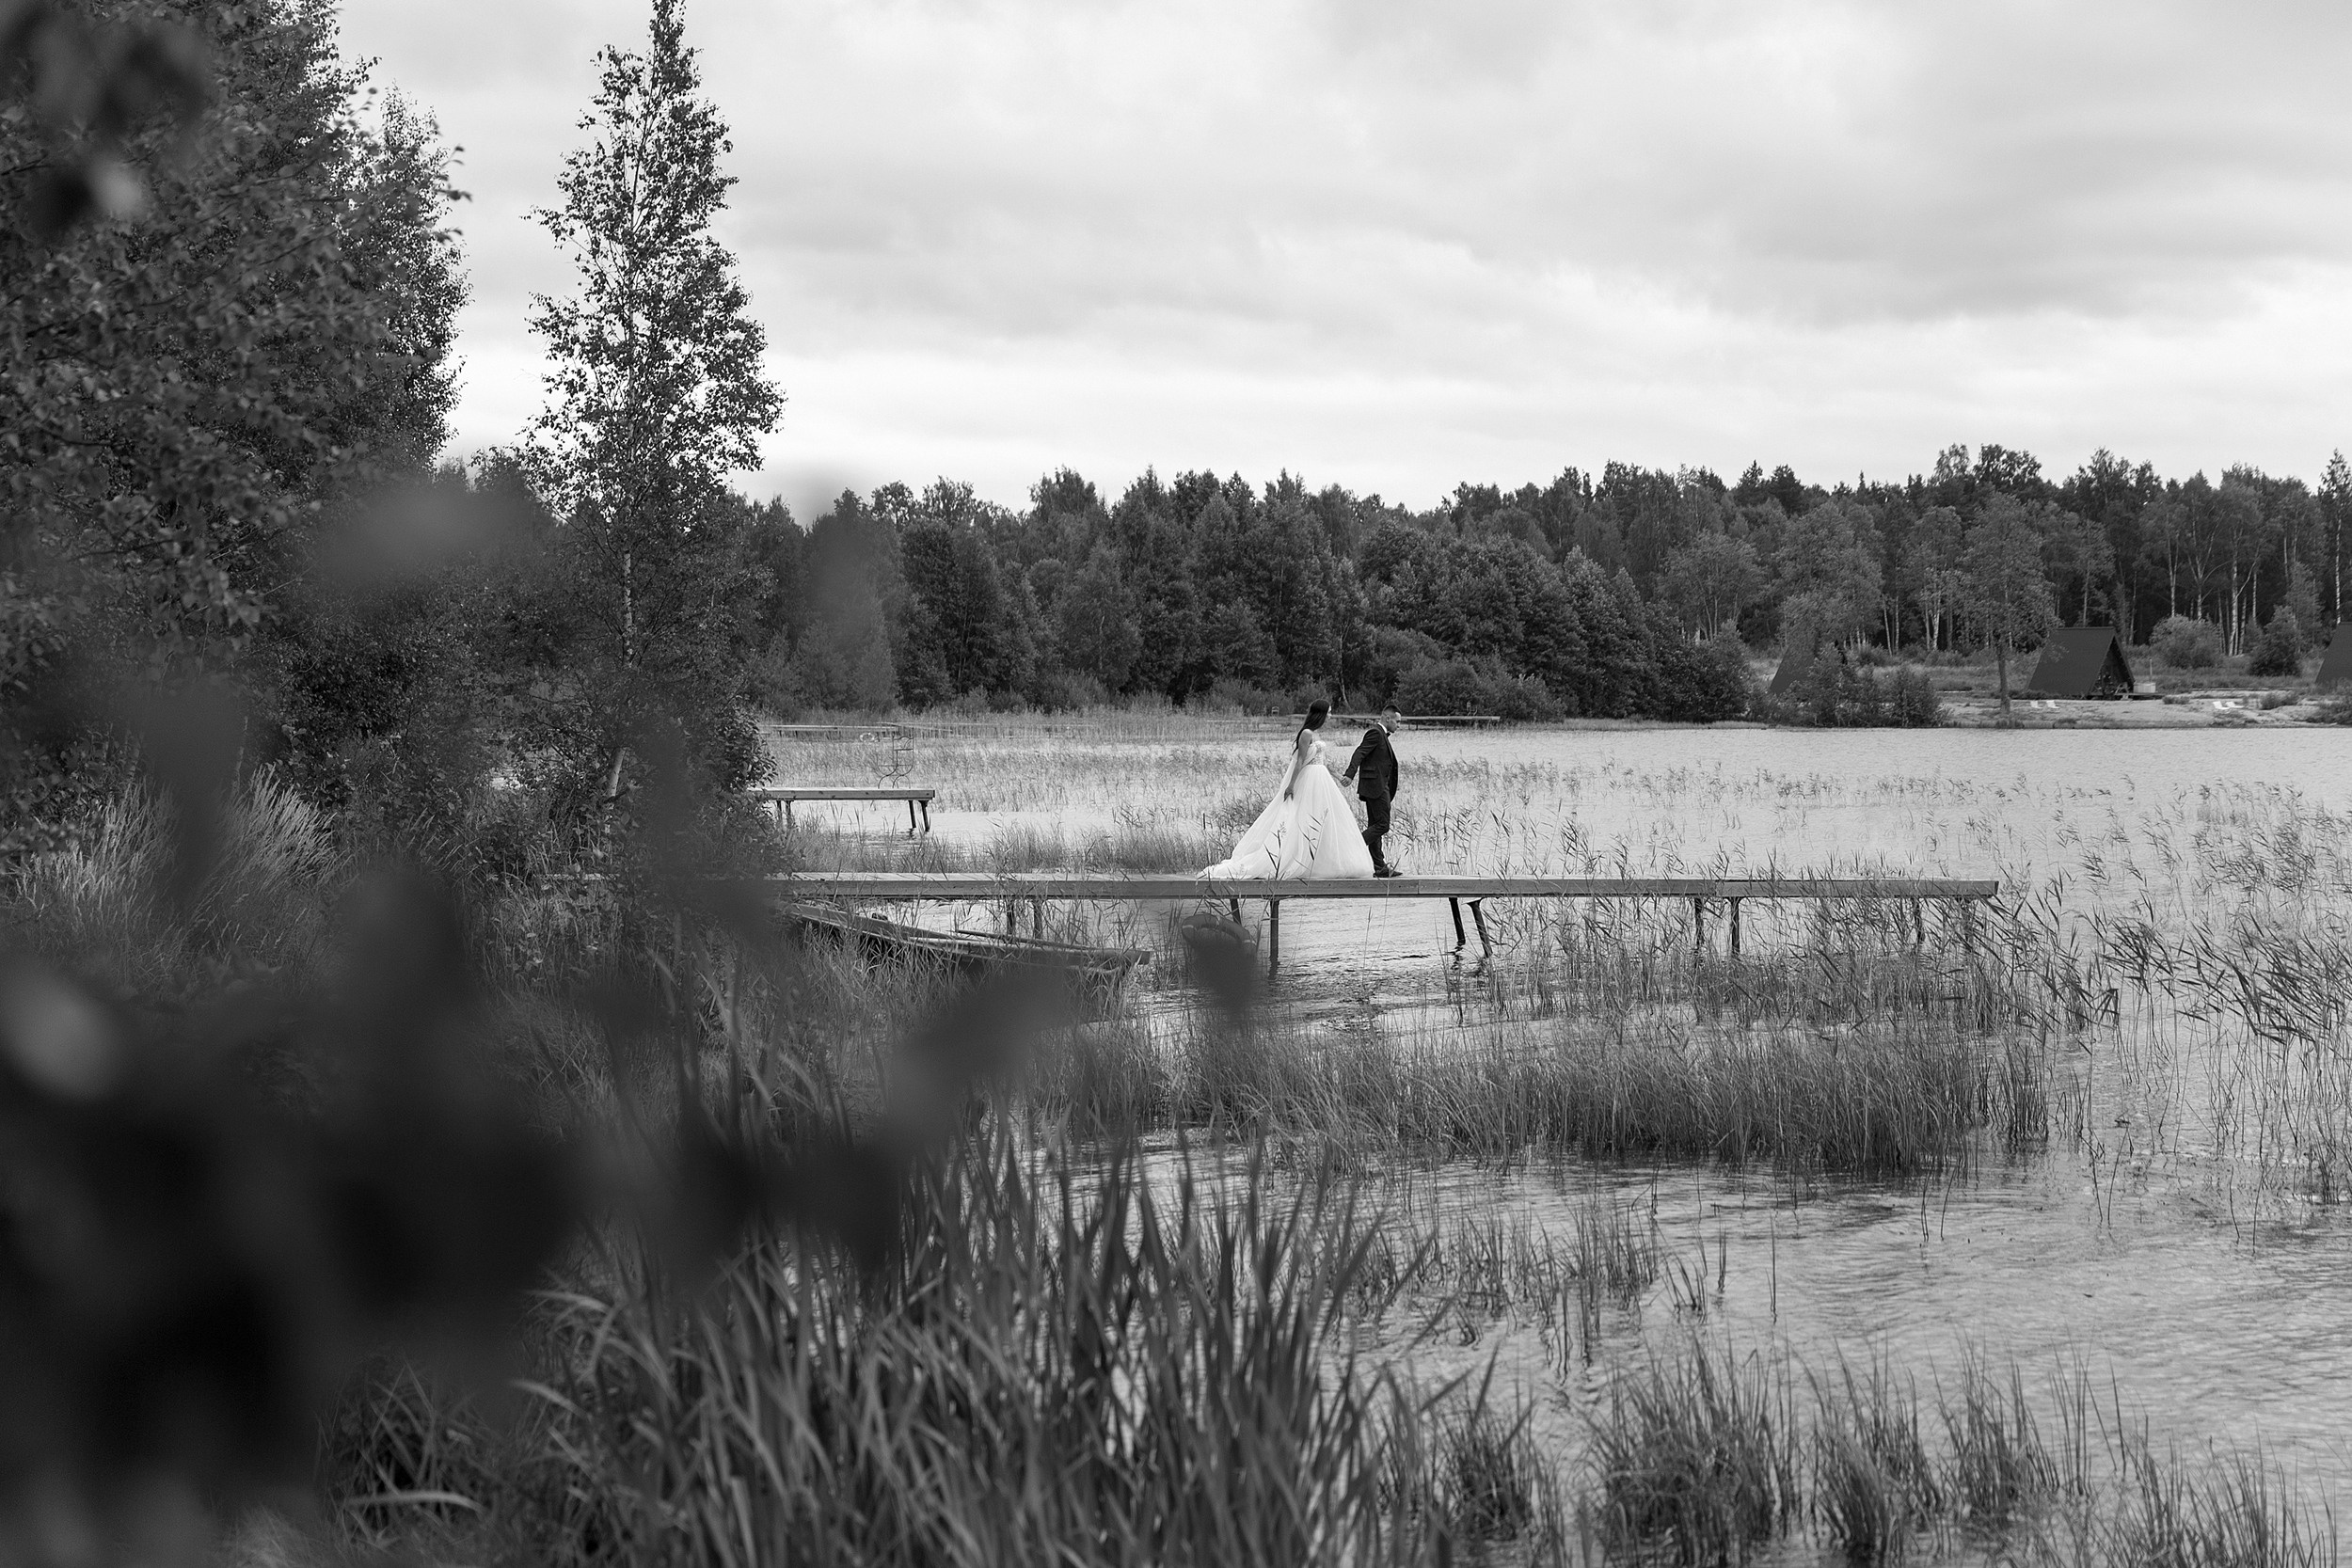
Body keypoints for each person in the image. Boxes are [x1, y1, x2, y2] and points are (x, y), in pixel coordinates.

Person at [1200, 700, 1375, 879]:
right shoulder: (1307, 734)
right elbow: (1299, 761)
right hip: (1310, 779)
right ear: (1320, 714)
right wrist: (1291, 785)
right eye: (1329, 712)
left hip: (1322, 779)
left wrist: (1339, 777)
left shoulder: (1316, 733)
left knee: (1326, 819)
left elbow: (1323, 760)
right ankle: (1298, 860)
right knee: (1304, 817)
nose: (1331, 716)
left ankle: (1322, 861)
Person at [1341, 705, 1403, 877]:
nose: (1399, 725)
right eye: (1397, 721)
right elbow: (1360, 752)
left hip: (1378, 786)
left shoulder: (1381, 734)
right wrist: (1350, 774)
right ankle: (1353, 846)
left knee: (1375, 826)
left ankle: (1379, 867)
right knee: (1382, 825)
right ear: (1387, 718)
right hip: (1376, 787)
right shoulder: (1375, 733)